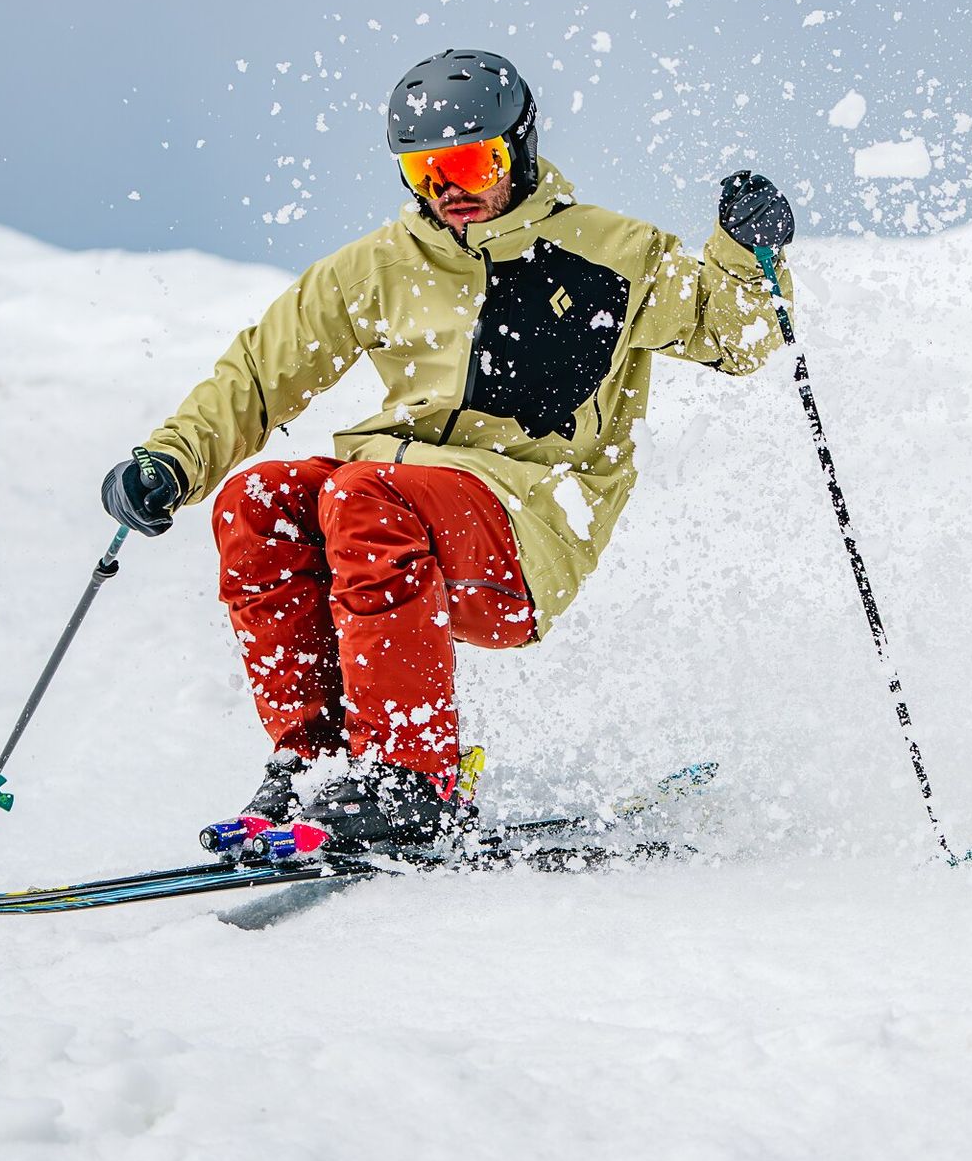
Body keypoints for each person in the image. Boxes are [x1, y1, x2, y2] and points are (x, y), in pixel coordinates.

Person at [101, 48, 795, 858]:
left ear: (519, 150)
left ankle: (411, 777)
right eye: (424, 171)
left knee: (362, 496)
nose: (448, 190)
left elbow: (738, 333)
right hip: (399, 501)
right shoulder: (382, 264)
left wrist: (749, 251)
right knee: (258, 502)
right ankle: (319, 761)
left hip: (527, 522)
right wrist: (173, 461)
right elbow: (261, 373)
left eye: (469, 162)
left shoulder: (613, 252)